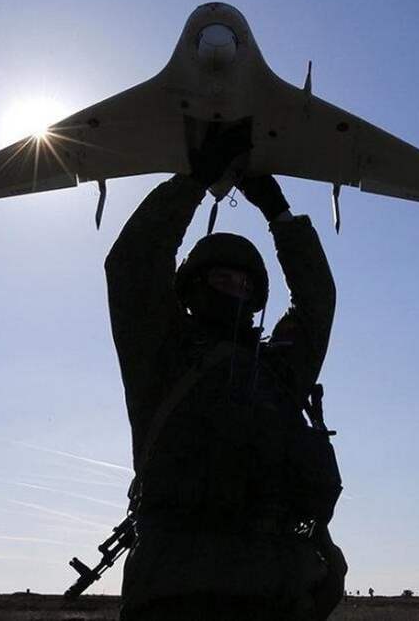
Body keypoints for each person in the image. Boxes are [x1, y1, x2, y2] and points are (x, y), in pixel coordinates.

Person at [105, 122, 346, 621]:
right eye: (221, 278)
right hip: (176, 593)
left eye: (244, 283)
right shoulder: (161, 356)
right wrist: (192, 183)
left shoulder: (277, 370)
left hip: (277, 595)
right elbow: (134, 264)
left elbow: (317, 303)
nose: (235, 289)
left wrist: (280, 214)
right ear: (192, 288)